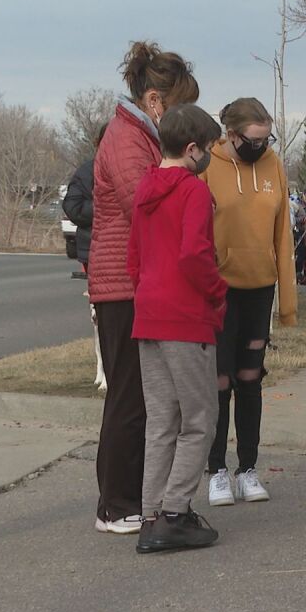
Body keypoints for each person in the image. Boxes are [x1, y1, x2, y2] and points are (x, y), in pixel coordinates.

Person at [89, 41, 199, 535]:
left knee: (141, 395)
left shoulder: (140, 136)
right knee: (130, 396)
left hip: (135, 282)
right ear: (156, 101)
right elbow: (147, 205)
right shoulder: (127, 139)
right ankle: (116, 502)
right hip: (120, 285)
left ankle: (127, 495)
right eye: (181, 107)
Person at [127, 105, 226, 553]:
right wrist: (217, 291)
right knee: (199, 420)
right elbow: (194, 254)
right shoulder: (192, 192)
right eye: (208, 149)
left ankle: (150, 513)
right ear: (192, 150)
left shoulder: (145, 189)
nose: (210, 157)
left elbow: (134, 260)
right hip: (185, 318)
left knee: (161, 421)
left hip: (148, 315)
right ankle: (175, 512)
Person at [200, 98, 297, 506]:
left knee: (250, 379)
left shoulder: (273, 164)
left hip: (261, 286)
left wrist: (288, 300)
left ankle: (248, 468)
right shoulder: (208, 164)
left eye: (266, 138)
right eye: (254, 139)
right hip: (219, 290)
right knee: (219, 382)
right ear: (233, 135)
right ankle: (217, 469)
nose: (261, 145)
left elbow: (283, 232)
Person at [62, 124, 107, 275]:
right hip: (92, 247)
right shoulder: (87, 171)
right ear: (99, 143)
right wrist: (101, 206)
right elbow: (73, 208)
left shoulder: (134, 168)